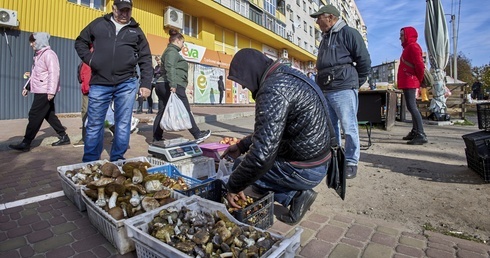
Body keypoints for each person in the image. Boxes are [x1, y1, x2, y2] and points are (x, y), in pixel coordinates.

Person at [223, 48, 332, 225]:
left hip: (306, 168)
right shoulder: (285, 76)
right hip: (318, 161)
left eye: (243, 81)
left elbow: (261, 157)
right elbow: (273, 133)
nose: (244, 87)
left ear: (251, 72)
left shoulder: (272, 90)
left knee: (241, 169)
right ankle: (297, 193)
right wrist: (242, 146)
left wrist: (233, 186)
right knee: (246, 169)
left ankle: (295, 195)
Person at [74, 0, 152, 162]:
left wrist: (145, 83)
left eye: (127, 11)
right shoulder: (98, 24)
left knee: (123, 124)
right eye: (121, 10)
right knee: (95, 123)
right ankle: (90, 161)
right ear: (113, 8)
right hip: (100, 82)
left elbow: (145, 57)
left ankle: (117, 158)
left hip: (127, 82)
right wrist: (91, 59)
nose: (124, 14)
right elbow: (80, 41)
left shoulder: (136, 30)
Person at [310, 4, 371, 179]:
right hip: (326, 88)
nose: (317, 21)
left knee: (348, 126)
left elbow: (364, 61)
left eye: (319, 17)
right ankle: (335, 159)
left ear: (330, 17)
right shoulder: (325, 38)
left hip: (343, 87)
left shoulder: (349, 33)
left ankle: (351, 161)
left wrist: (354, 83)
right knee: (330, 128)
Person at [9, 32, 71, 152]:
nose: (31, 44)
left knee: (34, 114)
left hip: (45, 90)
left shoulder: (49, 54)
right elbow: (35, 75)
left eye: (33, 41)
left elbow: (54, 73)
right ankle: (64, 137)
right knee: (48, 115)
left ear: (40, 42)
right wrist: (27, 87)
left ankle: (26, 142)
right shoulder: (38, 55)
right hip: (41, 89)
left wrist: (51, 91)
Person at [152, 29, 211, 143]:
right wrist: (173, 84)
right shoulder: (171, 52)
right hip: (171, 84)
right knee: (185, 110)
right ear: (177, 41)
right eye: (183, 42)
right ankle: (197, 134)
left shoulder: (170, 51)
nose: (183, 45)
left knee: (163, 111)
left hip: (164, 84)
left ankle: (157, 137)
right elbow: (170, 67)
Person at [397, 27, 428, 145]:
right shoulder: (408, 48)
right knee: (411, 107)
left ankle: (421, 133)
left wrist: (419, 80)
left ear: (408, 35)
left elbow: (420, 65)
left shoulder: (413, 47)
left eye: (402, 35)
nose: (400, 37)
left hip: (410, 81)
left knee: (412, 107)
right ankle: (415, 131)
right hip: (408, 81)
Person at [73, 50, 92, 147]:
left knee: (104, 114)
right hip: (86, 90)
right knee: (85, 112)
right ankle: (85, 138)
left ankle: (118, 132)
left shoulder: (96, 53)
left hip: (95, 89)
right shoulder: (85, 57)